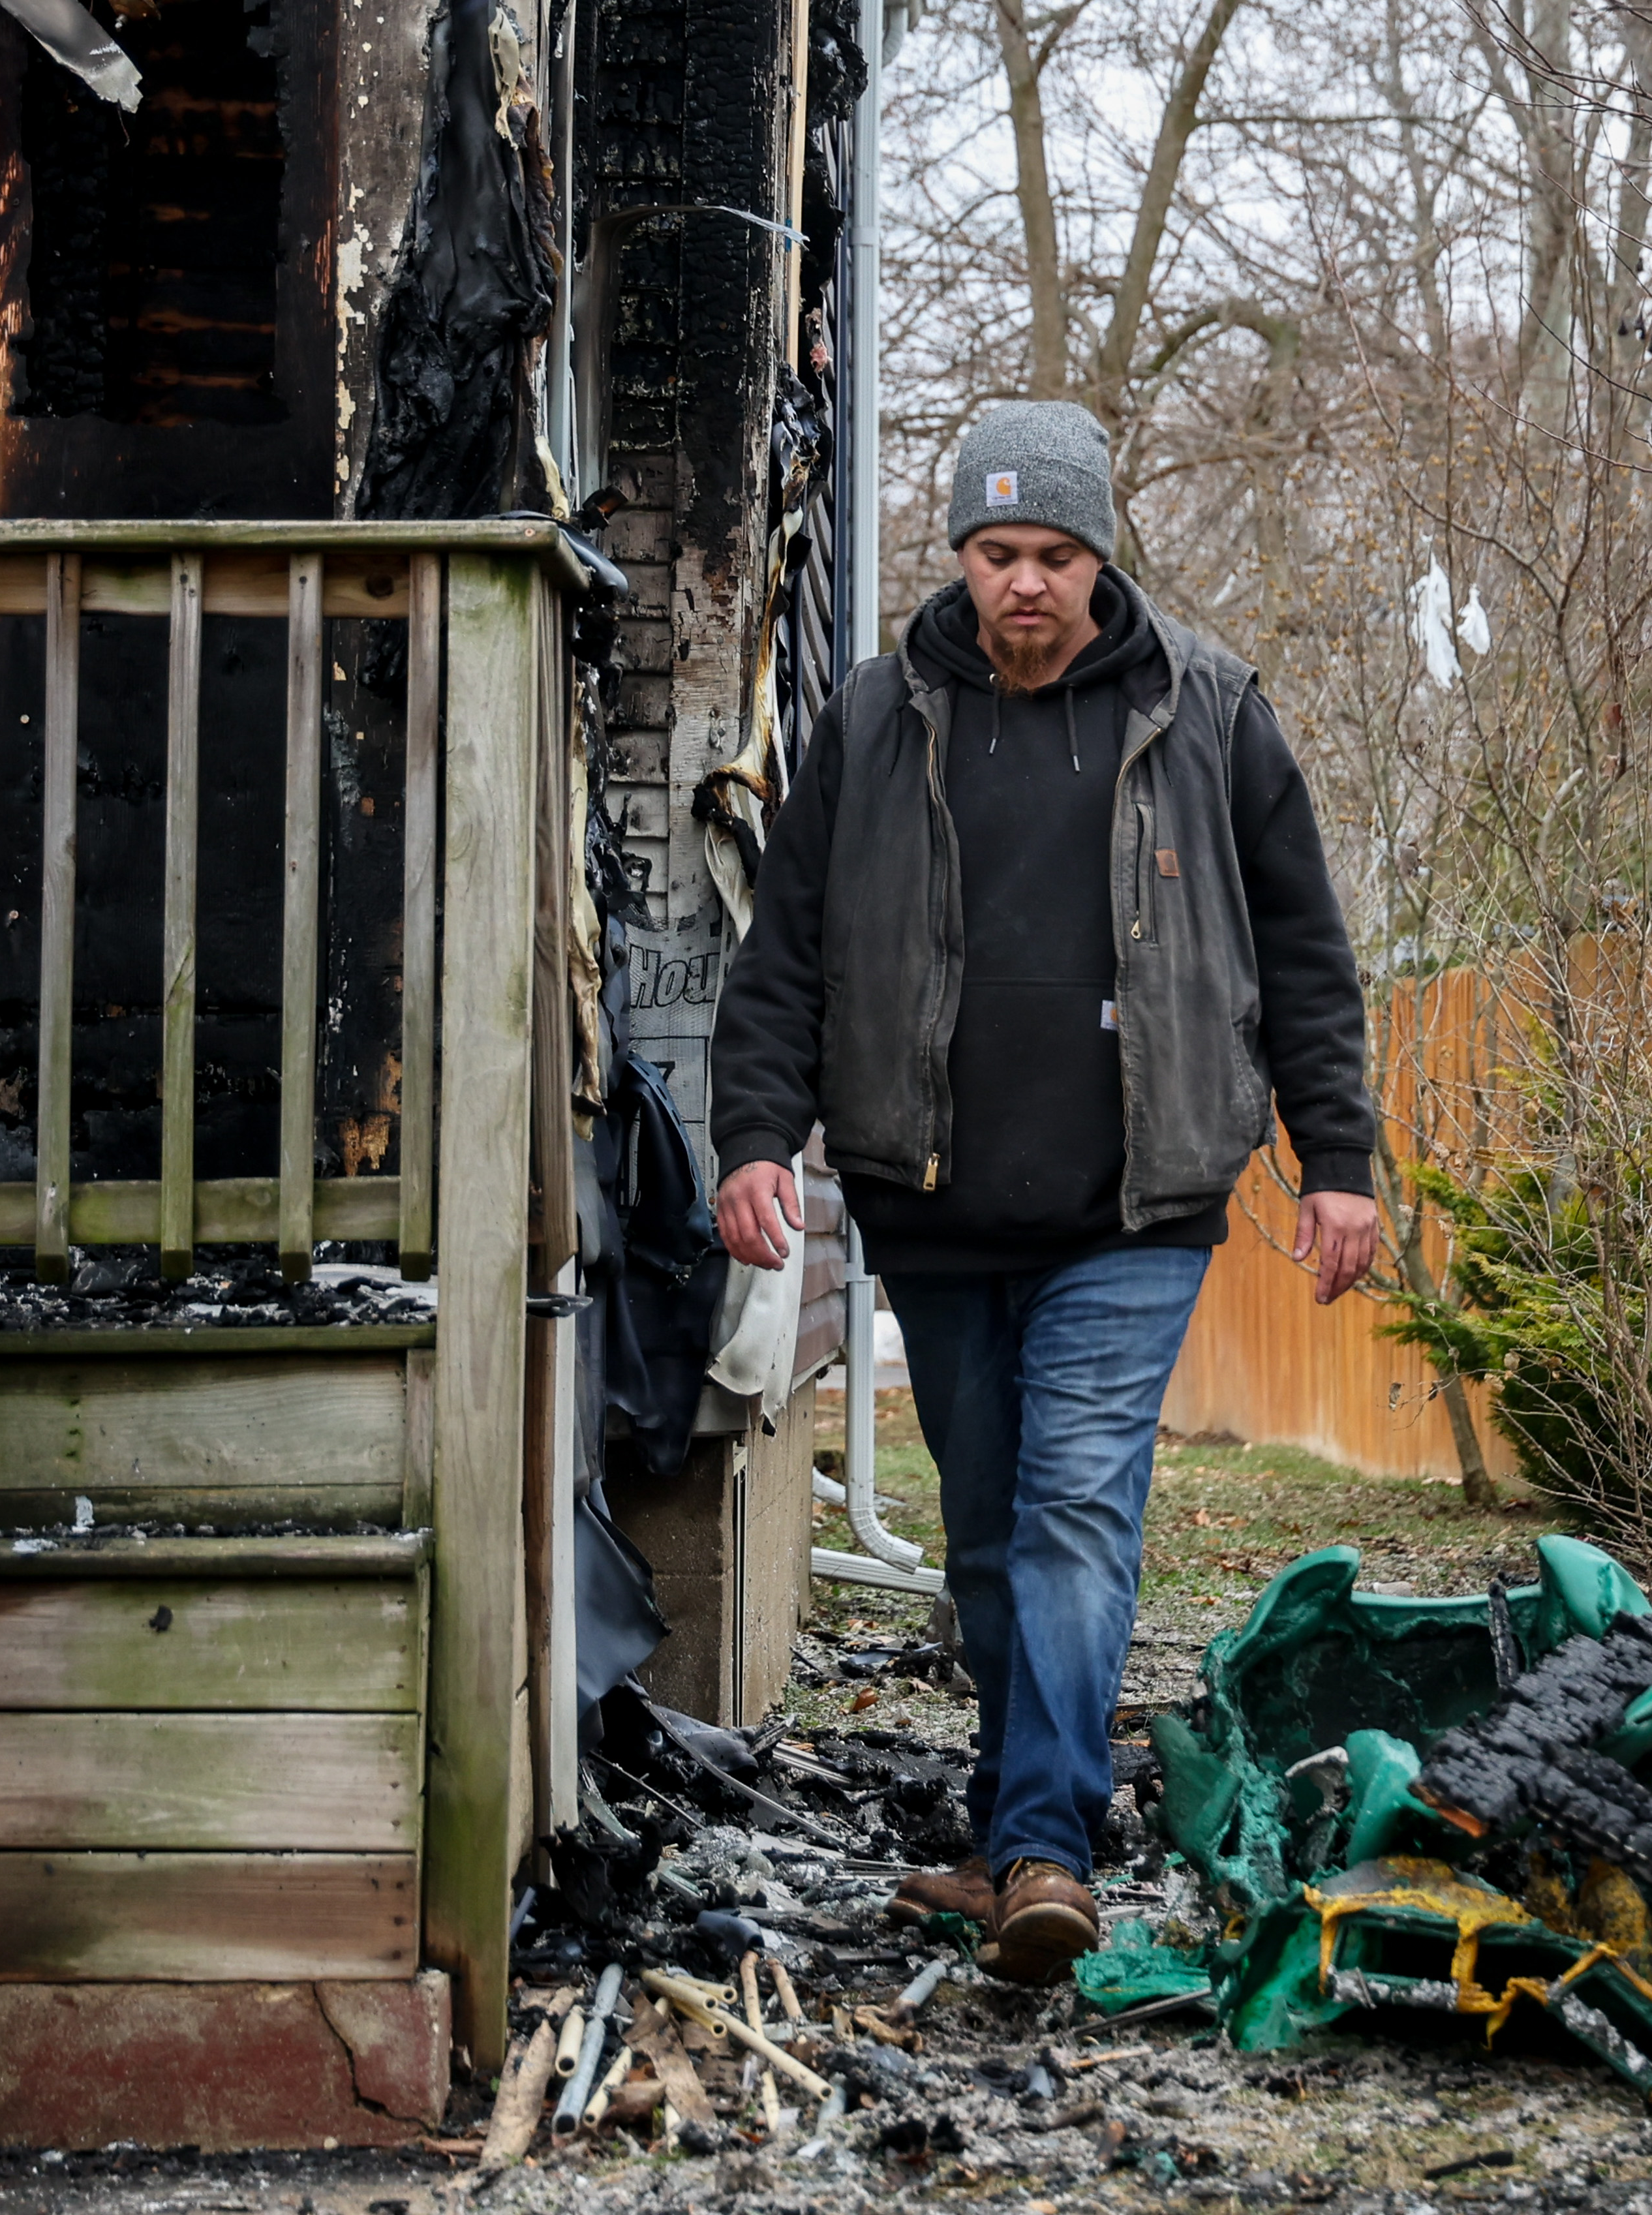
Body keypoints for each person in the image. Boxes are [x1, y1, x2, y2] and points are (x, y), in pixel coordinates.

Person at [705, 400, 1382, 1984]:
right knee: (991, 1544)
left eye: (1057, 556)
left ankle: (1045, 1853)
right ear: (959, 552)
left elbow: (1305, 952)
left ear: (1100, 557)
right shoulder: (876, 717)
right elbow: (785, 955)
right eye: (999, 552)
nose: (1026, 584)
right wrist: (753, 1138)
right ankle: (1020, 1826)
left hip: (1131, 1210)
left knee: (1074, 1517)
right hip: (932, 1207)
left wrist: (1337, 1161)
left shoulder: (1205, 711)